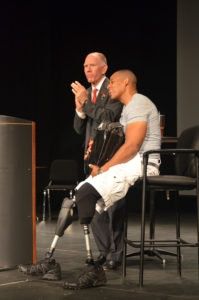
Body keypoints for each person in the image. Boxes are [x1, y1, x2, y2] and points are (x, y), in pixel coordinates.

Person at [19, 69, 161, 290]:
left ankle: (92, 268)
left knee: (86, 194)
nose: (109, 86)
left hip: (143, 164)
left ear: (126, 83)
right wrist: (98, 157)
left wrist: (103, 168)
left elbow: (132, 147)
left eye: (112, 82)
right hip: (129, 162)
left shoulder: (138, 103)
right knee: (77, 196)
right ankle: (50, 261)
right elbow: (118, 142)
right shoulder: (127, 110)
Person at [72, 52, 125, 270]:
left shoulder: (112, 88)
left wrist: (85, 102)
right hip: (91, 157)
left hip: (111, 157)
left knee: (113, 207)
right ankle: (105, 251)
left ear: (104, 69)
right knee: (92, 206)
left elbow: (108, 117)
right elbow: (78, 129)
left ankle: (117, 254)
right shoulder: (87, 93)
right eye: (85, 66)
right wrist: (79, 109)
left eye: (92, 65)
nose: (87, 69)